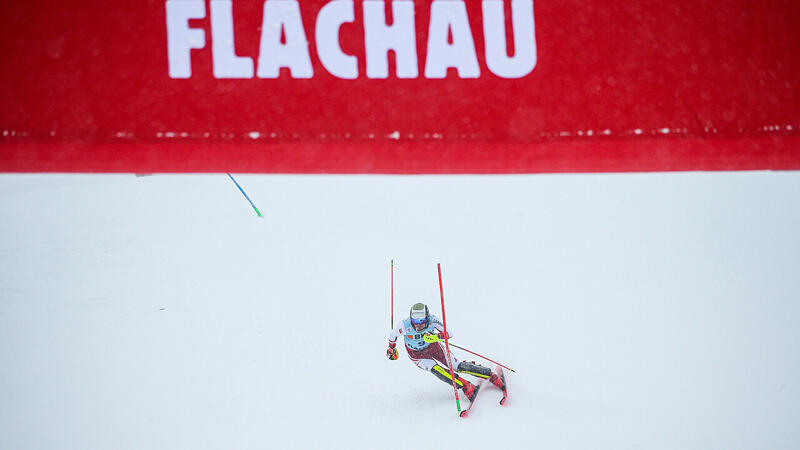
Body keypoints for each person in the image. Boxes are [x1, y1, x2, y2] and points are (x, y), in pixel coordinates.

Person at [386, 302, 503, 401]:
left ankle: (490, 374)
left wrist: (437, 336)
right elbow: (393, 335)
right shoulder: (404, 325)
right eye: (415, 321)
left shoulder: (433, 320)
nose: (419, 325)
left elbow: (449, 333)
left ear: (427, 317)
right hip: (417, 355)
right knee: (438, 370)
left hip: (433, 347)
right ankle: (466, 386)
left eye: (421, 321)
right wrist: (392, 349)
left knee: (456, 366)